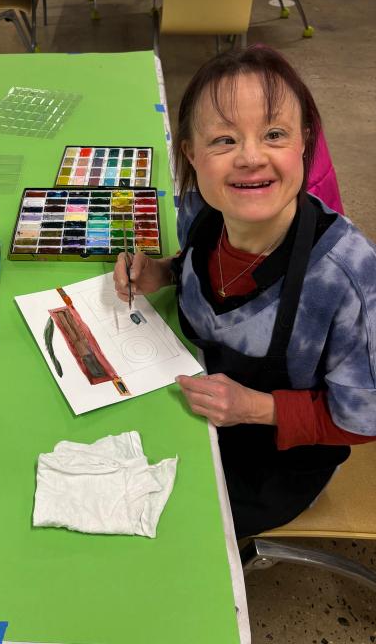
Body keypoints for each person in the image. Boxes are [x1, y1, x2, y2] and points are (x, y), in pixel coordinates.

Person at [113, 45, 376, 538]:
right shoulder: (201, 211)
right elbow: (205, 270)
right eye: (224, 140)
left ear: (305, 143)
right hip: (187, 400)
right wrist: (164, 273)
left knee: (157, 525)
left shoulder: (347, 278)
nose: (251, 158)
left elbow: (362, 422)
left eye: (274, 134)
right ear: (191, 153)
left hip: (275, 464)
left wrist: (254, 408)